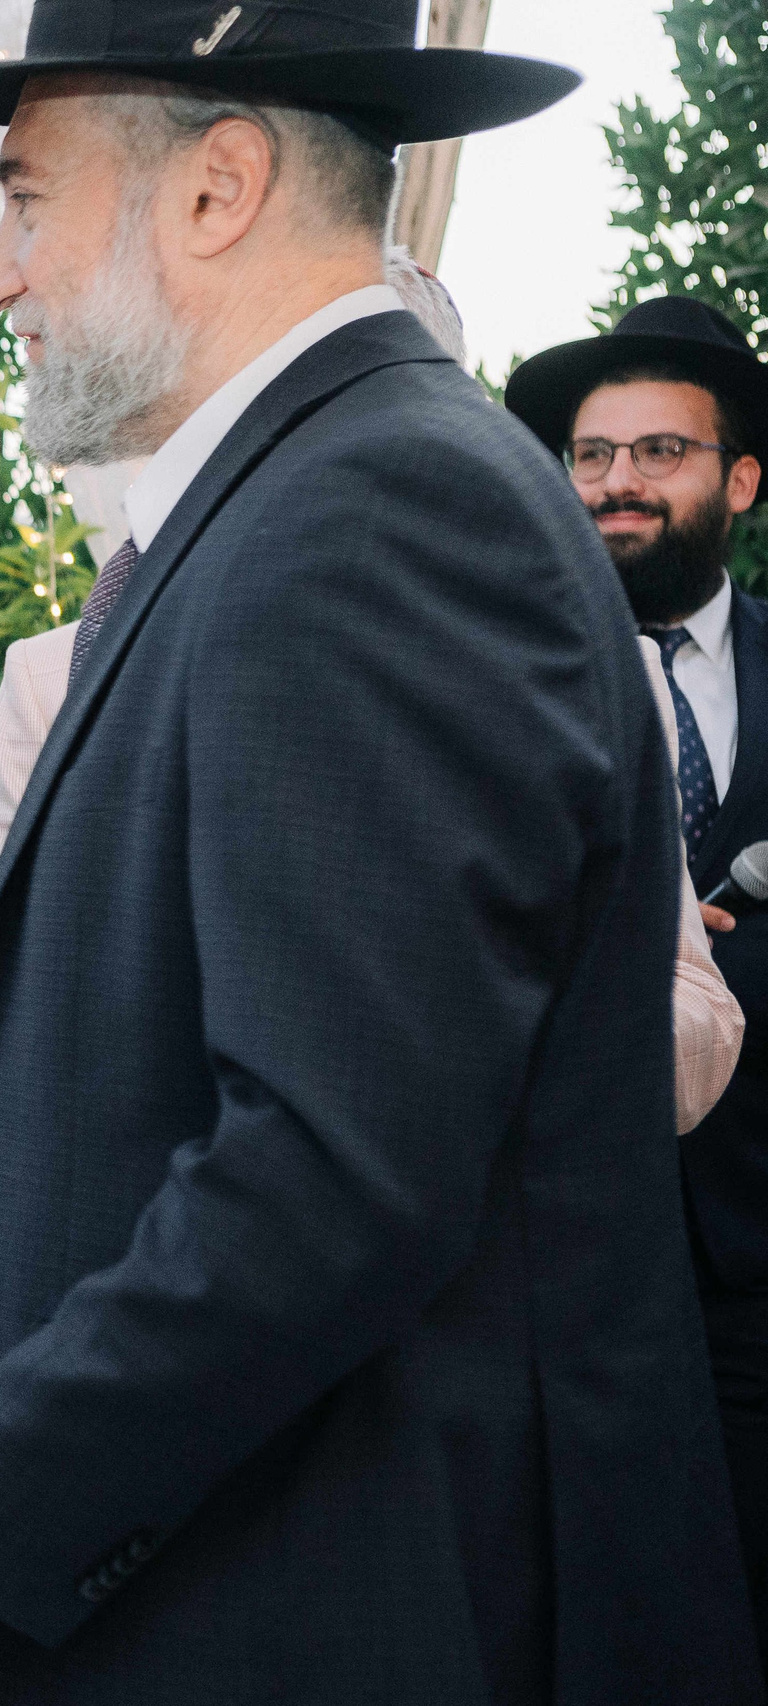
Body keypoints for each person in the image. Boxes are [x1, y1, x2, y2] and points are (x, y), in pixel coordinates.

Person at [0, 5, 759, 1701]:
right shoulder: (302, 489)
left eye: (25, 199)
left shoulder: (373, 511)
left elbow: (337, 1167)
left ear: (218, 188)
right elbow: (303, 998)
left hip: (353, 1597)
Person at [0, 279, 742, 1135]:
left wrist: (513, 1002)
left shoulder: (590, 672)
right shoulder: (58, 675)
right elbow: (0, 976)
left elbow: (696, 1015)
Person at [506, 292, 768, 1663]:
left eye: (660, 451)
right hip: (571, 1263)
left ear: (739, 478)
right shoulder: (500, 677)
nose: (617, 481)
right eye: (593, 453)